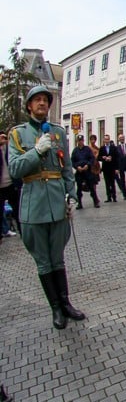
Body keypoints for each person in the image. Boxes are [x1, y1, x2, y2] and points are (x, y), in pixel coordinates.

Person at [8, 85, 85, 330]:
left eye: (45, 100)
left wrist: (72, 196)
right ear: (29, 106)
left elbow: (66, 169)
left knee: (58, 258)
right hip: (33, 206)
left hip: (56, 204)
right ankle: (55, 308)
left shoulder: (58, 133)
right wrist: (37, 152)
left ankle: (66, 303)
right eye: (37, 100)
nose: (42, 103)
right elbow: (16, 169)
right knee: (43, 262)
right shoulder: (17, 135)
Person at [0, 132, 23, 243]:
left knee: (17, 210)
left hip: (11, 184)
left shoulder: (10, 149)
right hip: (1, 186)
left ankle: (22, 231)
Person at [70, 135, 100, 209]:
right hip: (79, 172)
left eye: (81, 140)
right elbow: (72, 161)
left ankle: (95, 201)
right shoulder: (75, 150)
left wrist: (88, 165)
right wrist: (77, 167)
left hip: (87, 171)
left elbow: (92, 159)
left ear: (83, 141)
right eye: (79, 141)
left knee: (91, 188)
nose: (80, 142)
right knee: (79, 189)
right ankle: (79, 203)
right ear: (77, 141)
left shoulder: (87, 149)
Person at [97, 134, 120, 202]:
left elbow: (117, 157)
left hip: (112, 167)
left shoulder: (113, 147)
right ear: (103, 140)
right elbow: (98, 157)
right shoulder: (102, 148)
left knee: (112, 182)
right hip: (106, 168)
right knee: (107, 183)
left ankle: (114, 197)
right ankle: (109, 197)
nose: (106, 141)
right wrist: (103, 158)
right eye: (105, 139)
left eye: (108, 139)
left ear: (109, 140)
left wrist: (117, 168)